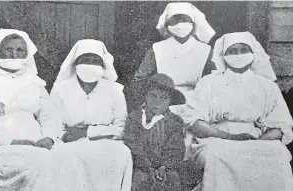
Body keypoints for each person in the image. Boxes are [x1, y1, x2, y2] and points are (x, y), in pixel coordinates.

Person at [0, 29, 88, 191]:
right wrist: (10, 141)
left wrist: (49, 137)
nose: (14, 55)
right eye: (9, 49)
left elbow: (49, 115)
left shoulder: (34, 81)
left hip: (37, 140)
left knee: (71, 161)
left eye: (20, 50)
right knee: (38, 164)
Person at [184, 31, 293, 190]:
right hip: (216, 137)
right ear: (223, 55)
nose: (238, 55)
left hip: (256, 138)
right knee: (216, 155)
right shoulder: (209, 83)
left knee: (278, 153)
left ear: (253, 54)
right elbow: (195, 122)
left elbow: (280, 126)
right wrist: (229, 137)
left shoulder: (267, 85)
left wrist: (257, 142)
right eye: (232, 51)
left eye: (243, 50)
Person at [48, 39, 132, 191]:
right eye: (85, 60)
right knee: (59, 156)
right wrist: (64, 135)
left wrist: (87, 132)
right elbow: (53, 123)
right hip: (68, 141)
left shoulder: (114, 90)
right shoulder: (60, 89)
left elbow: (121, 127)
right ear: (75, 63)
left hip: (104, 141)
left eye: (95, 61)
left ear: (103, 66)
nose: (90, 64)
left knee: (122, 153)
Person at [126, 2, 216, 114]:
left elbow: (212, 83)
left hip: (196, 102)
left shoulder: (205, 50)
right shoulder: (157, 48)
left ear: (193, 23)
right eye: (175, 20)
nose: (180, 24)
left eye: (184, 20)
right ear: (167, 24)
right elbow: (140, 79)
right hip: (161, 101)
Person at [124, 73, 185, 191]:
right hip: (140, 166)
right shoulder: (135, 118)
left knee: (173, 178)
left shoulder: (175, 121)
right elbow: (132, 144)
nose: (157, 102)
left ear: (170, 100)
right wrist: (147, 167)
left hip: (166, 166)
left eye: (163, 97)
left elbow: (176, 148)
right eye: (153, 96)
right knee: (140, 179)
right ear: (145, 96)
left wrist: (165, 166)